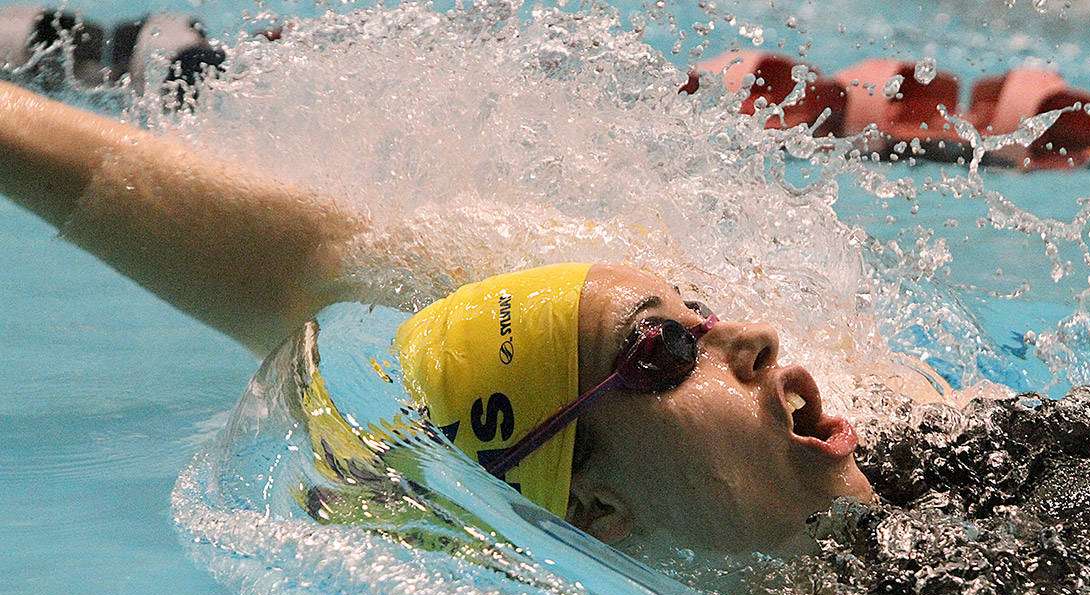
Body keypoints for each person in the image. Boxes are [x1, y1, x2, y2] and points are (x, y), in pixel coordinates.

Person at [0, 78, 966, 555]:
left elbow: (319, 266)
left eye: (699, 313)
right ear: (593, 511)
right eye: (664, 348)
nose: (755, 338)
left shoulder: (935, 436)